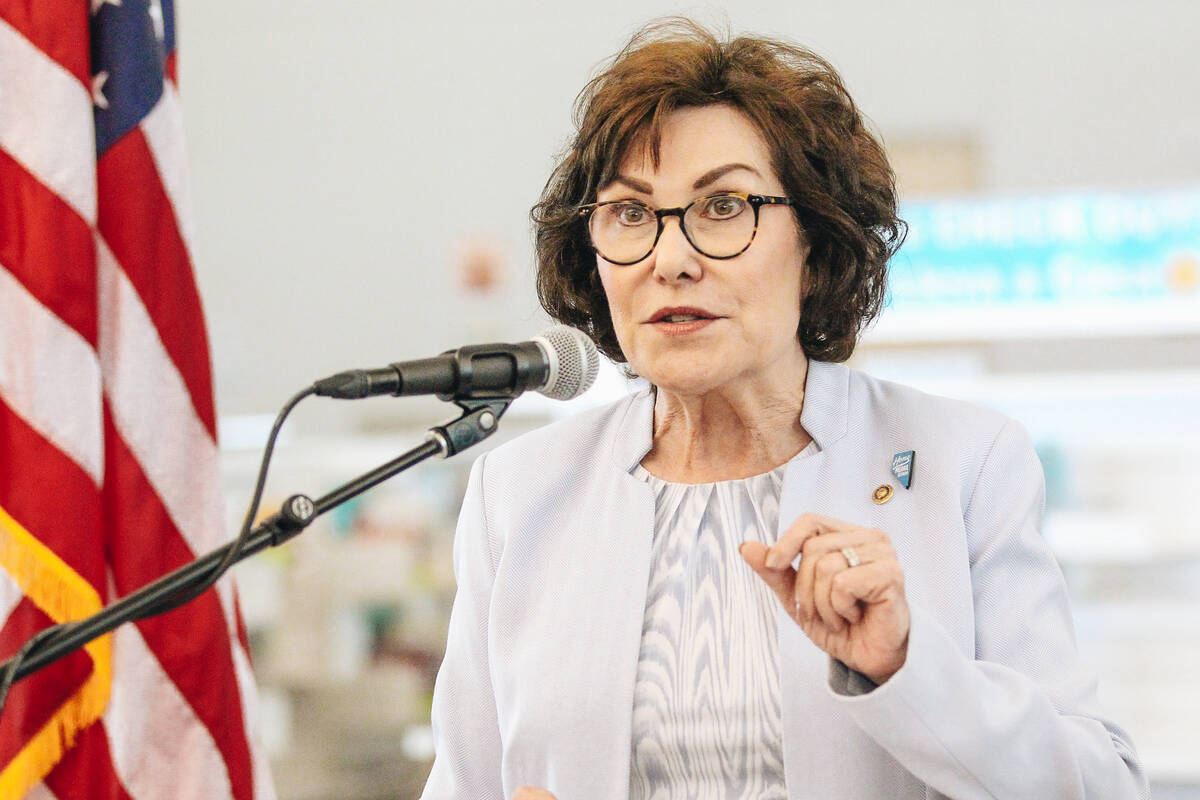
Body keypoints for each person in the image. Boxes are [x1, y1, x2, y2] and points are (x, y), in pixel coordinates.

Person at [421, 19, 1148, 800]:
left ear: (816, 242)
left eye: (723, 205)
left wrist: (907, 667)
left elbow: (1102, 786)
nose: (671, 259)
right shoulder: (520, 493)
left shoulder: (964, 463)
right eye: (630, 213)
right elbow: (464, 781)